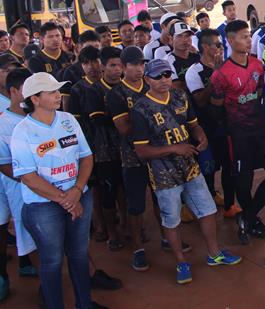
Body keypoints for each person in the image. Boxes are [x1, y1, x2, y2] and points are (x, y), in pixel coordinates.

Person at [132, 59, 240, 284]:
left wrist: (201, 136)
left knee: (207, 209)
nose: (164, 80)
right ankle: (181, 261)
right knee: (172, 220)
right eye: (158, 76)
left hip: (190, 166)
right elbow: (141, 151)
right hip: (164, 174)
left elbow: (194, 124)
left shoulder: (180, 97)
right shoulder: (141, 108)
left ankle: (214, 254)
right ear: (147, 79)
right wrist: (174, 148)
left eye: (167, 75)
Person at [11, 72, 99, 309]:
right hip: (43, 207)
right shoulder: (23, 131)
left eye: (57, 90)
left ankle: (85, 304)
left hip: (77, 195)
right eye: (51, 92)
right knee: (52, 261)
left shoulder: (68, 119)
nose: (58, 95)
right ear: (35, 99)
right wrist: (68, 199)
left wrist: (77, 190)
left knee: (79, 255)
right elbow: (28, 178)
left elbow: (86, 157)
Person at [211, 20, 265, 244]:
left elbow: (259, 95)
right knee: (243, 182)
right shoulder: (220, 74)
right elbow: (216, 107)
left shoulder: (257, 65)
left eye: (249, 36)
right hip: (237, 136)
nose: (249, 40)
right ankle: (253, 220)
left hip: (260, 131)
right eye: (243, 37)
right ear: (230, 40)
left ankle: (247, 218)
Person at [107, 46, 163, 272]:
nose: (139, 69)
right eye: (134, 64)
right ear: (123, 67)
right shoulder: (116, 93)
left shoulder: (152, 85)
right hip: (132, 157)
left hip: (157, 154)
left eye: (142, 64)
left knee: (162, 198)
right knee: (136, 205)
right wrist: (151, 124)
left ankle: (166, 237)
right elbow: (123, 128)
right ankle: (138, 249)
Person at [186, 29, 238, 219]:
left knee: (229, 165)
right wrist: (216, 74)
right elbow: (199, 100)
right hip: (207, 127)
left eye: (221, 44)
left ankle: (230, 205)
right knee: (207, 168)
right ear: (205, 47)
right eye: (217, 44)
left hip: (227, 124)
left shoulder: (227, 65)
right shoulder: (194, 71)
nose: (220, 47)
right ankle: (206, 204)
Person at [83, 46, 126, 251]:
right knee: (109, 192)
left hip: (128, 148)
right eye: (112, 65)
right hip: (105, 150)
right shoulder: (94, 90)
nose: (117, 69)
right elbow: (98, 119)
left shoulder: (128, 86)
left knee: (127, 190)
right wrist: (123, 118)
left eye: (120, 65)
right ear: (102, 66)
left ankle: (128, 226)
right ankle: (112, 232)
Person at [0, 68, 38, 300]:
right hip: (14, 184)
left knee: (31, 232)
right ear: (14, 91)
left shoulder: (37, 117)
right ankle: (2, 276)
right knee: (6, 227)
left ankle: (29, 267)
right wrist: (30, 180)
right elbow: (4, 164)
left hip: (29, 186)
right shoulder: (5, 123)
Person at [161, 22, 200, 90]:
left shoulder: (198, 55)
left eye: (187, 36)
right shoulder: (167, 61)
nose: (184, 40)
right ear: (171, 38)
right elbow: (177, 87)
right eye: (179, 36)